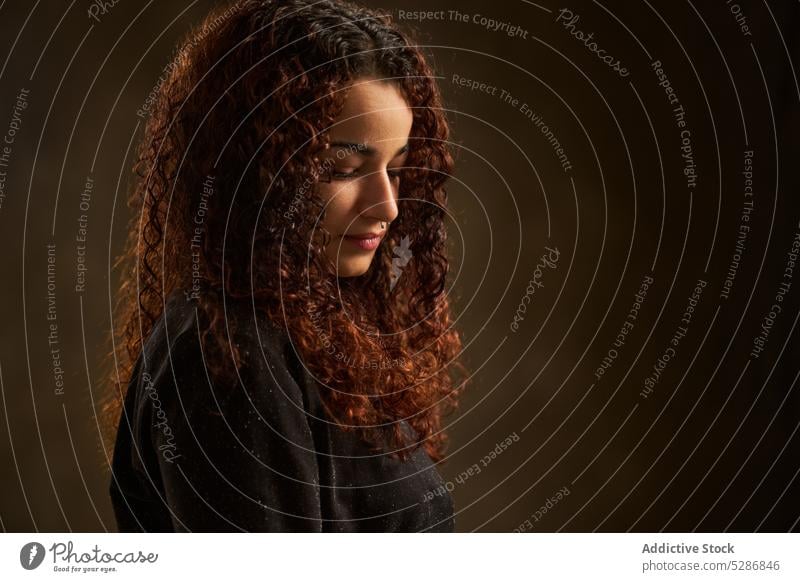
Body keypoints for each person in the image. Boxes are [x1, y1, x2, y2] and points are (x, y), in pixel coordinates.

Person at [102, 0, 468, 532]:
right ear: (255, 169)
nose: (387, 206)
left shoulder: (317, 331)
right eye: (344, 168)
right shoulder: (229, 353)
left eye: (397, 168)